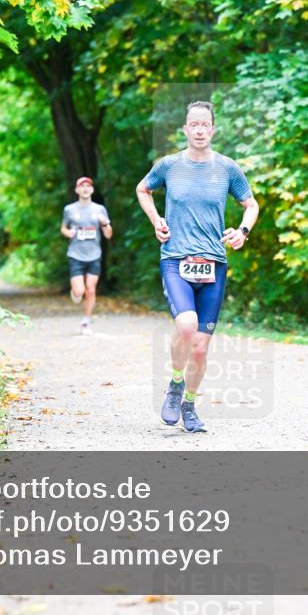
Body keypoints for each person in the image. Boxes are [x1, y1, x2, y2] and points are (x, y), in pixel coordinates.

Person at [136, 101, 259, 433]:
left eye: (206, 124)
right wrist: (156, 219)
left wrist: (243, 231)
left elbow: (251, 204)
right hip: (176, 259)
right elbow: (143, 189)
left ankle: (189, 405)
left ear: (213, 130)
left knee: (201, 346)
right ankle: (175, 383)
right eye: (194, 124)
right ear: (186, 129)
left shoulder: (228, 168)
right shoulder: (169, 165)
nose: (200, 129)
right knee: (187, 327)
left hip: (214, 264)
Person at [61, 176, 112, 336]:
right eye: (81, 186)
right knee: (80, 291)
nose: (85, 188)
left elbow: (108, 235)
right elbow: (63, 228)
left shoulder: (99, 209)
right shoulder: (69, 209)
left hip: (94, 254)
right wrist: (68, 232)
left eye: (88, 186)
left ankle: (86, 321)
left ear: (92, 190)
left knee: (90, 290)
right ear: (77, 190)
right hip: (76, 254)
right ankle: (75, 292)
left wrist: (104, 223)